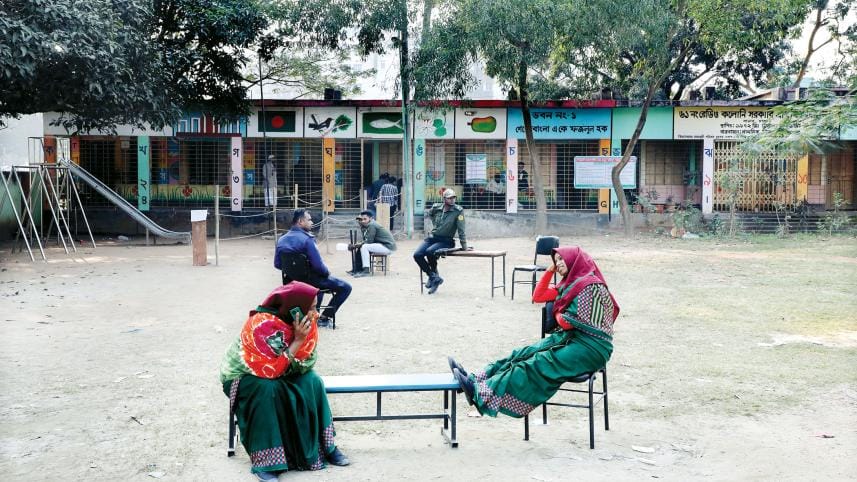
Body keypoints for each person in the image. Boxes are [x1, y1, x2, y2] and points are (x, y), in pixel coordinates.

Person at [448, 246, 619, 418]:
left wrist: (558, 313)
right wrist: (550, 270)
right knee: (521, 354)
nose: (558, 263)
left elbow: (567, 322)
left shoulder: (589, 285)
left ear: (574, 260)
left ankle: (480, 393)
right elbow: (538, 296)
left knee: (535, 363)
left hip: (591, 349)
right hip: (573, 340)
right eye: (556, 260)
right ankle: (474, 380)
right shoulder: (569, 286)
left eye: (561, 259)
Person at [220, 283, 350, 481]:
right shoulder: (260, 325)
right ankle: (266, 463)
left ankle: (327, 446)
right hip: (246, 377)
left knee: (313, 381)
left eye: (316, 306)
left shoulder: (306, 322)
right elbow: (268, 371)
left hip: (282, 372)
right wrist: (297, 341)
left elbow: (308, 361)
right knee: (267, 388)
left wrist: (295, 351)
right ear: (294, 308)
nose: (315, 313)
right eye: (312, 307)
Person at [274, 209, 351, 328]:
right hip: (311, 281)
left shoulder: (282, 239)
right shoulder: (307, 239)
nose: (312, 222)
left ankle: (313, 316)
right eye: (309, 219)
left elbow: (278, 264)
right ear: (300, 221)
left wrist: (294, 272)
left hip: (291, 281)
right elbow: (318, 266)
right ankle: (324, 318)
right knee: (345, 287)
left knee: (319, 286)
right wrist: (326, 272)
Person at [413, 188, 467, 294]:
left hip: (446, 241)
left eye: (453, 198)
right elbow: (430, 214)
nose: (452, 200)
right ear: (444, 199)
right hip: (433, 238)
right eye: (449, 198)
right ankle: (433, 277)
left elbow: (461, 230)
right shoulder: (437, 207)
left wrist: (464, 246)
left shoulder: (458, 211)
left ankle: (433, 277)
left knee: (430, 251)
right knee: (417, 255)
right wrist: (437, 225)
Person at [348, 210, 396, 277]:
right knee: (361, 247)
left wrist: (356, 245)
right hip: (382, 245)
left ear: (370, 218)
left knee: (364, 247)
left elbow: (369, 241)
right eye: (362, 219)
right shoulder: (367, 225)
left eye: (365, 219)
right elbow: (365, 239)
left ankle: (366, 271)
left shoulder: (372, 225)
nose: (363, 221)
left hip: (387, 247)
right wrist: (361, 226)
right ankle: (357, 269)